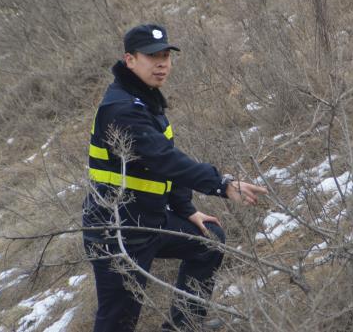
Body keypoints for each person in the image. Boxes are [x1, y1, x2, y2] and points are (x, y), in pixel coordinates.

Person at [82, 24, 268, 332]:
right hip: (117, 232)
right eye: (153, 56)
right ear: (130, 60)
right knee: (117, 322)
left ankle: (186, 326)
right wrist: (222, 184)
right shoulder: (121, 109)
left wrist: (186, 209)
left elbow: (164, 159)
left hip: (150, 221)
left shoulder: (145, 99)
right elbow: (165, 160)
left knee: (208, 242)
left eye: (166, 55)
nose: (162, 63)